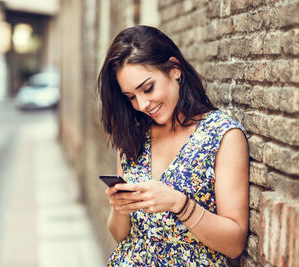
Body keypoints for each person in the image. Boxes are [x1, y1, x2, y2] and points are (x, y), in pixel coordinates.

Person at [97, 25, 249, 266]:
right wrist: (120, 207)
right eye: (131, 97)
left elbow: (234, 244)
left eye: (147, 88)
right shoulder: (134, 136)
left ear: (175, 69)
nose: (142, 104)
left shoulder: (222, 135)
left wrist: (179, 203)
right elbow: (120, 236)